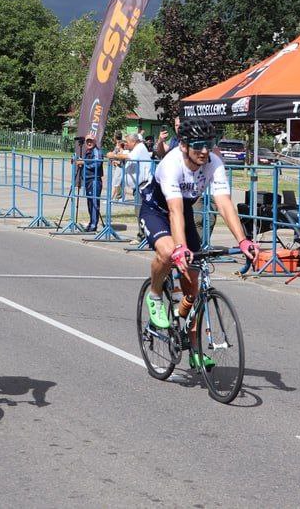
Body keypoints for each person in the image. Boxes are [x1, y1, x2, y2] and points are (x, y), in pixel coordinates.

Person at [139, 117, 259, 369]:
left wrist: (244, 240)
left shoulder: (214, 162)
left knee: (194, 291)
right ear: (183, 145)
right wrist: (180, 249)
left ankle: (192, 346)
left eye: (209, 144)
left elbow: (224, 203)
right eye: (198, 145)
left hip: (184, 213)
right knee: (169, 252)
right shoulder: (171, 164)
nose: (205, 151)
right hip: (157, 211)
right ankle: (154, 295)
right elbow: (173, 211)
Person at [76, 134, 104, 232]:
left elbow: (97, 163)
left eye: (91, 141)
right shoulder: (87, 151)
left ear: (95, 142)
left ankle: (93, 225)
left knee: (94, 203)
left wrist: (84, 163)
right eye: (87, 141)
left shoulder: (97, 151)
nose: (89, 143)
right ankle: (91, 223)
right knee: (90, 203)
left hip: (94, 180)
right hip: (87, 179)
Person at [106, 131, 126, 200]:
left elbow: (121, 155)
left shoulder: (120, 144)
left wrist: (115, 159)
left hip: (120, 166)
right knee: (119, 183)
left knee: (115, 182)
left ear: (115, 136)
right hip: (117, 165)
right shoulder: (118, 144)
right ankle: (120, 197)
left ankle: (110, 198)